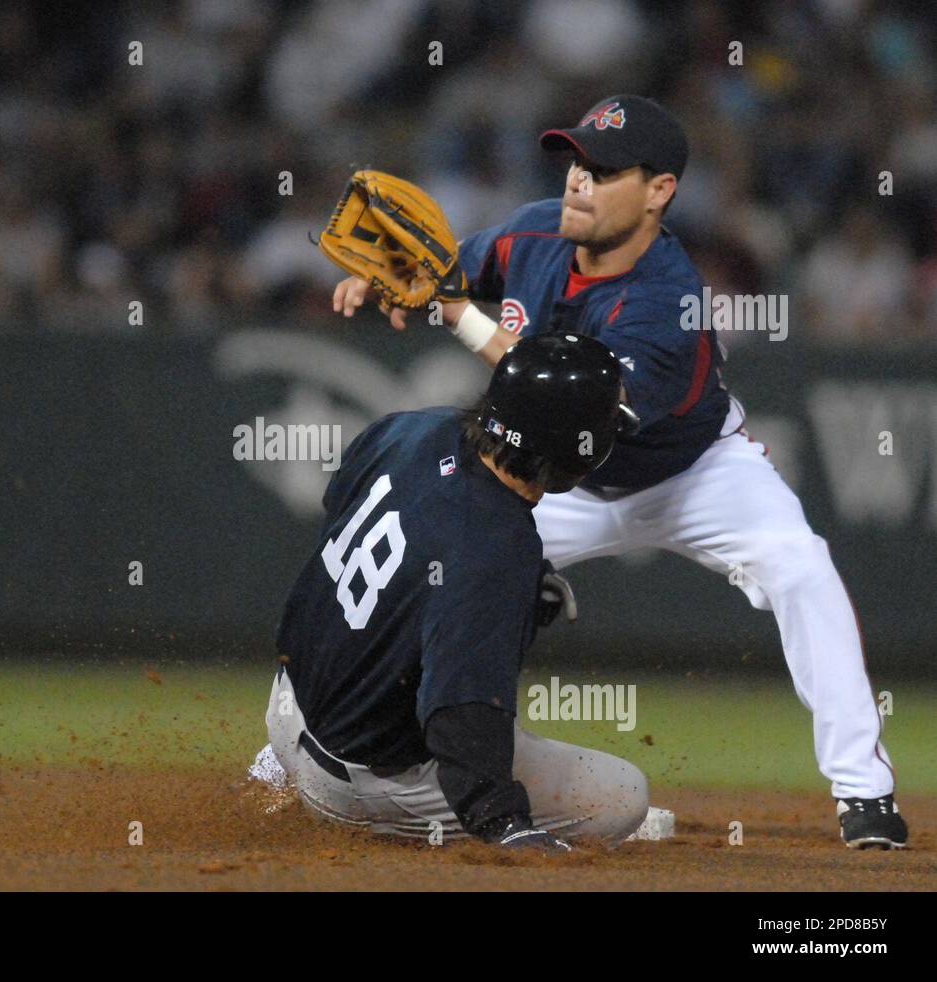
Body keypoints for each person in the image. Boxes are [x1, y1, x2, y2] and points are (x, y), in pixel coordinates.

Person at [329, 95, 907, 849]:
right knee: (418, 561)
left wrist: (456, 312)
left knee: (802, 568)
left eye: (603, 171)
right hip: (557, 483)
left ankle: (866, 793)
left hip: (695, 474)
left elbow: (573, 411)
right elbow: (445, 267)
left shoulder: (669, 300)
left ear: (659, 191)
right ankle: (329, 741)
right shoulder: (531, 230)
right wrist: (389, 280)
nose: (578, 180)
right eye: (575, 162)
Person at [264, 332, 647, 851]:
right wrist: (502, 822)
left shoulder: (413, 429)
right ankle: (373, 817)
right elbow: (460, 711)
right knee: (622, 796)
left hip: (286, 708)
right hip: (358, 779)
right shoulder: (496, 543)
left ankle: (274, 769)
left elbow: (347, 512)